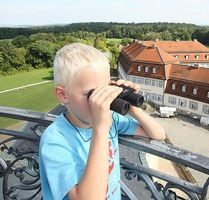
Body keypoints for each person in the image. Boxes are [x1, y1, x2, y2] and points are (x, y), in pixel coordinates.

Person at [39, 43, 166, 200]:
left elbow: (158, 134)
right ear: (63, 95)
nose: (103, 101)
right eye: (93, 94)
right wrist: (101, 128)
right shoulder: (55, 140)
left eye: (106, 89)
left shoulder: (110, 119)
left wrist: (130, 104)